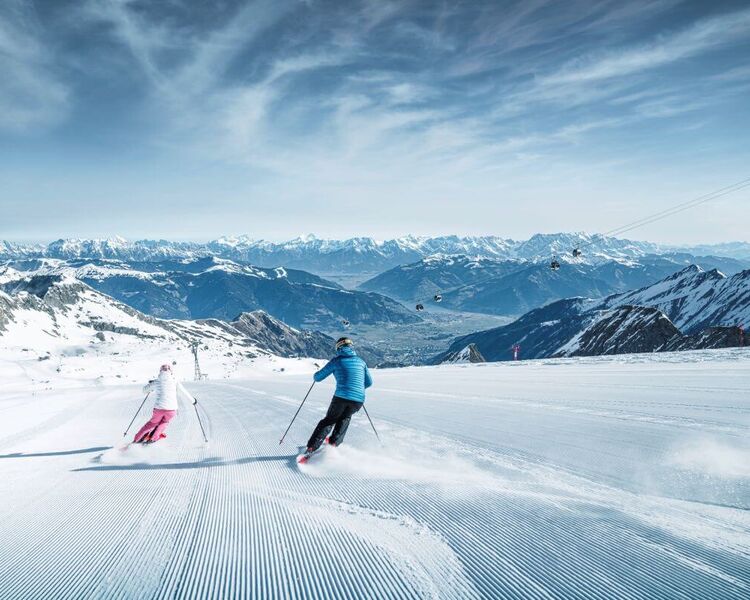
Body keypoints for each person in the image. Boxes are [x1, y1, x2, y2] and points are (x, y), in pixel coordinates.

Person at [304, 337, 373, 456]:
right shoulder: (361, 362)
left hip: (341, 397)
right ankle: (334, 443)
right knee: (345, 418)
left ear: (339, 348)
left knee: (329, 420)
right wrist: (356, 389)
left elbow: (318, 378)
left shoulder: (337, 361)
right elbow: (369, 383)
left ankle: (311, 448)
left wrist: (315, 375)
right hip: (358, 400)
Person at [133, 364, 196, 443]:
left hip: (159, 409)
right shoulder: (175, 381)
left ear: (160, 371)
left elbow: (144, 390)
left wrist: (151, 385)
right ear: (171, 372)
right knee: (164, 422)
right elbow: (184, 392)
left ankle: (137, 439)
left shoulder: (157, 381)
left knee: (152, 423)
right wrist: (193, 401)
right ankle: (153, 438)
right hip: (172, 410)